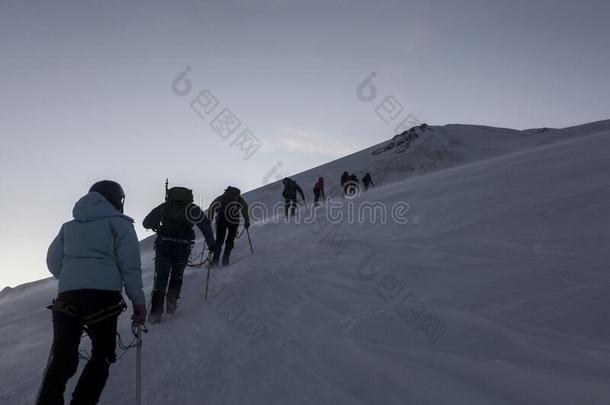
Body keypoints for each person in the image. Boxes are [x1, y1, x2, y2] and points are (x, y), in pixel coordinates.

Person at [38, 180, 146, 405]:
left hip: (67, 298)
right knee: (102, 355)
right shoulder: (120, 224)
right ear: (117, 199)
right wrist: (138, 303)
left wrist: (72, 278)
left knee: (62, 359)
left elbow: (53, 262)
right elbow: (130, 267)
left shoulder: (69, 226)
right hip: (103, 298)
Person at [143, 186, 215, 323]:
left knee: (161, 278)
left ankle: (155, 314)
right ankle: (171, 306)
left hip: (164, 246)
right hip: (182, 248)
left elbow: (146, 223)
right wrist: (211, 244)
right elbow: (205, 225)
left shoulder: (165, 206)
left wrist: (157, 225)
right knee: (177, 276)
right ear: (188, 196)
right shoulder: (192, 209)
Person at [208, 186, 250, 266]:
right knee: (230, 240)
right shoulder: (238, 198)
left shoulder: (221, 197)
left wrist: (210, 219)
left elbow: (212, 207)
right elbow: (245, 207)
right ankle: (225, 260)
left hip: (221, 219)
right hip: (234, 220)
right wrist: (247, 220)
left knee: (219, 240)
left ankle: (215, 261)